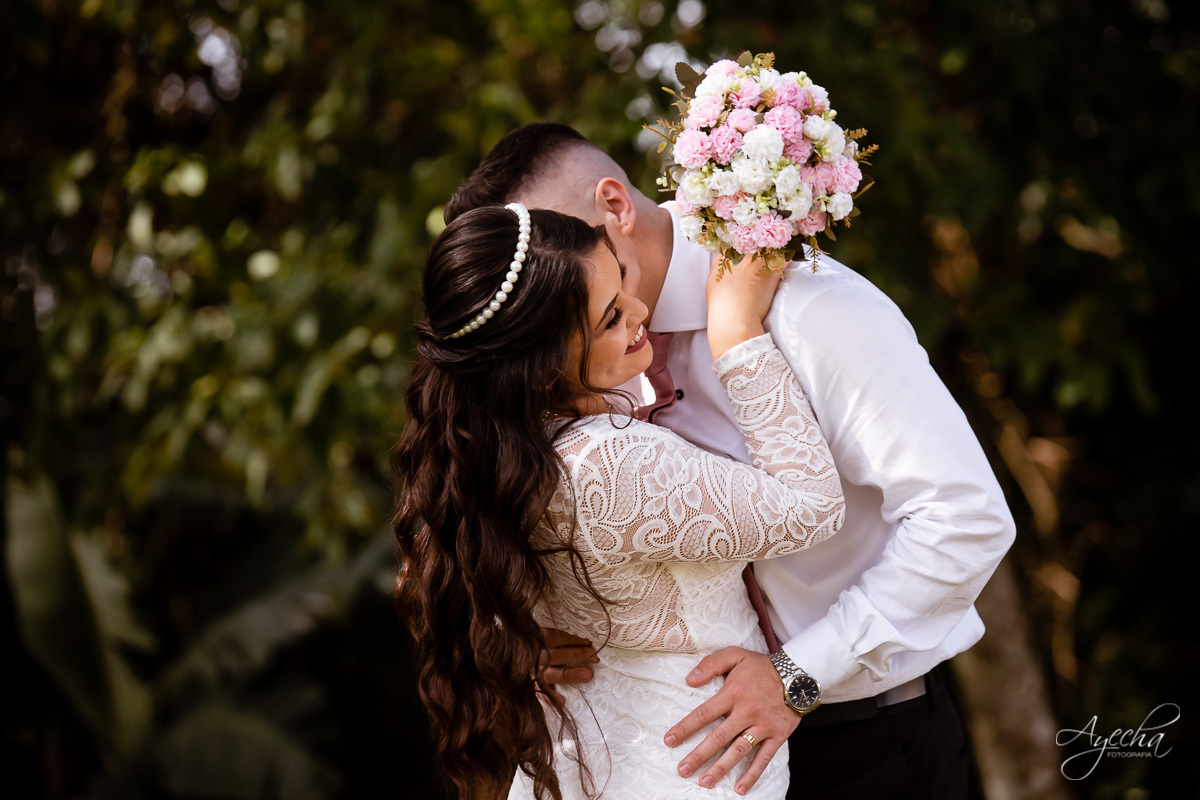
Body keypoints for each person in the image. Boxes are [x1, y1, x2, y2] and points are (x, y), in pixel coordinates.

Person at [444, 123, 1016, 798]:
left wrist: (798, 674)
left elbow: (967, 518)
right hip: (676, 763)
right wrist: (530, 623)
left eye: (554, 239)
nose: (544, 273)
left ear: (615, 207)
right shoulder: (581, 351)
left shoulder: (810, 309)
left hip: (864, 743)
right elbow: (524, 494)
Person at [393, 203, 845, 800]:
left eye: (623, 281)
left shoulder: (492, 454)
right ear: (539, 367)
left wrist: (517, 638)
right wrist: (736, 329)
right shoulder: (610, 467)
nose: (640, 313)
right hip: (681, 773)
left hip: (594, 762)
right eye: (610, 319)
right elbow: (814, 505)